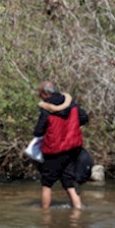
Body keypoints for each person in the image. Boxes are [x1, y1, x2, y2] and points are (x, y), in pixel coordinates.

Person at [33, 81, 89, 210]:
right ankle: (78, 210)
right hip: (72, 148)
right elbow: (84, 118)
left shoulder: (47, 109)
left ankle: (45, 214)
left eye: (40, 93)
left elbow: (38, 131)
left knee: (47, 184)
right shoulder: (72, 104)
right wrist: (72, 127)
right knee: (68, 181)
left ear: (45, 93)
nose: (39, 96)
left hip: (54, 150)